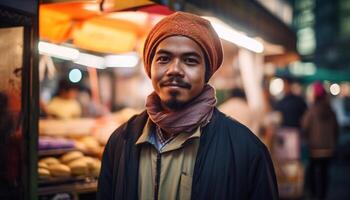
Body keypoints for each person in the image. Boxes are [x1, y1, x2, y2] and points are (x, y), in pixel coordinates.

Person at [97, 12, 278, 200]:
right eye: (163, 59)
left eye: (190, 60)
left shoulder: (246, 151)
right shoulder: (120, 142)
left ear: (207, 73)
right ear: (150, 67)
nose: (174, 69)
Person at [302, 82, 339, 200]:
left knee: (312, 170)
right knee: (324, 173)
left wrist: (307, 138)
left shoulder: (311, 111)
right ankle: (322, 195)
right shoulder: (331, 111)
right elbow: (336, 129)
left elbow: (304, 126)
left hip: (314, 148)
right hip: (328, 148)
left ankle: (313, 193)